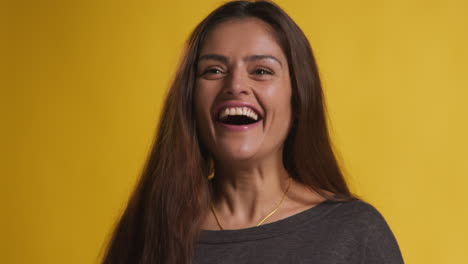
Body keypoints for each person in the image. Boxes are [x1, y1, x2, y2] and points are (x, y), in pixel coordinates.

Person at [101, 1, 404, 263]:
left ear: (297, 98)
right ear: (190, 99)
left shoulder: (355, 232)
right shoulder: (145, 231)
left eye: (261, 71)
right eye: (213, 71)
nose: (235, 86)